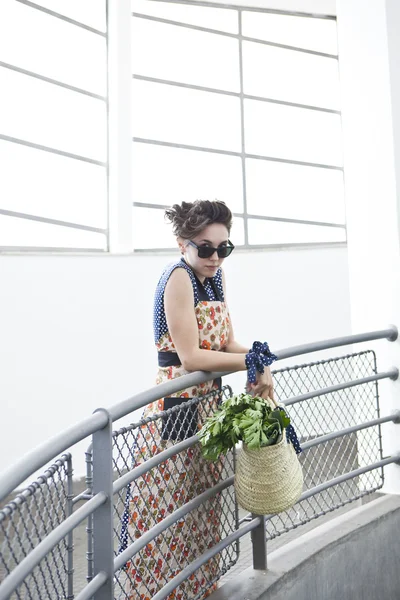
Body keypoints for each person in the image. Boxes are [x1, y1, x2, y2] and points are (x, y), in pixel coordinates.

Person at [122, 200, 275, 600]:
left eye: (223, 248)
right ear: (182, 244)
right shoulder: (178, 278)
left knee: (204, 501)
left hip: (206, 404)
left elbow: (224, 343)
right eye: (205, 247)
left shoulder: (213, 279)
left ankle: (199, 586)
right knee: (171, 506)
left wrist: (258, 359)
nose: (214, 257)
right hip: (178, 404)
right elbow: (190, 357)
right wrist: (249, 360)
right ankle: (165, 593)